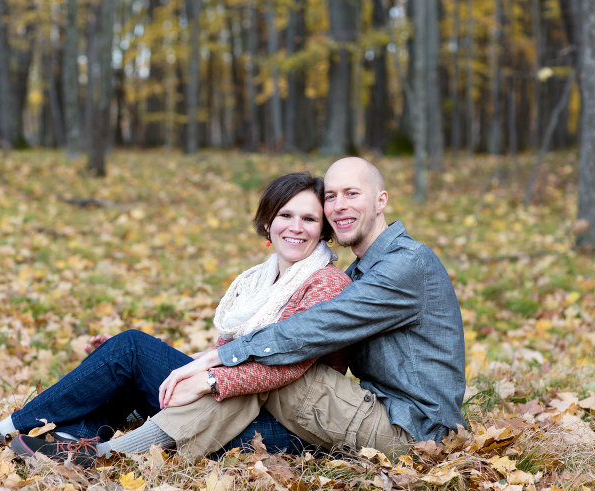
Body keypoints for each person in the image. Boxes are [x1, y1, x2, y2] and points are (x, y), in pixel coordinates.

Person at [0, 172, 353, 466]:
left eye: (309, 219)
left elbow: (286, 364)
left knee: (132, 349)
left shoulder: (326, 282)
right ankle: (75, 440)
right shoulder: (262, 279)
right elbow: (232, 354)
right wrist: (194, 371)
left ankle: (6, 429)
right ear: (268, 222)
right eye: (285, 215)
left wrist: (206, 380)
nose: (296, 227)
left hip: (278, 429)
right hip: (239, 406)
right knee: (129, 357)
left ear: (324, 230)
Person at [158, 157, 466, 458]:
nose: (339, 205)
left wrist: (214, 368)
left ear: (380, 201)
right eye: (331, 196)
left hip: (419, 433)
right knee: (270, 363)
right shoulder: (361, 271)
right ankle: (152, 438)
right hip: (385, 412)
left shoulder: (407, 264)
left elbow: (312, 329)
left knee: (283, 367)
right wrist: (210, 365)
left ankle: (145, 444)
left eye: (352, 194)